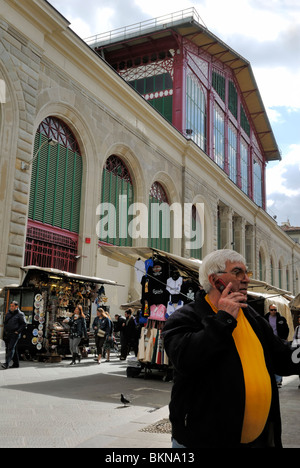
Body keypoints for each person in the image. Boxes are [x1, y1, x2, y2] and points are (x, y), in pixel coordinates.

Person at [162, 249, 300, 449]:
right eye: (237, 273)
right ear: (214, 279)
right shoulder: (185, 318)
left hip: (257, 440)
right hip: (204, 440)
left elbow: (281, 355)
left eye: (246, 273)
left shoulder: (250, 314)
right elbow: (185, 359)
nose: (245, 279)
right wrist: (224, 319)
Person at [265, 304, 289, 388]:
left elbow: (286, 329)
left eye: (275, 310)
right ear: (269, 310)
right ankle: (271, 379)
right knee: (269, 360)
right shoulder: (264, 319)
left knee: (279, 359)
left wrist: (284, 339)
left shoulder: (281, 319)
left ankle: (278, 380)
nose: (273, 311)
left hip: (279, 342)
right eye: (272, 310)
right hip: (268, 342)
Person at [1, 301, 26, 369]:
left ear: (16, 307)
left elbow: (24, 324)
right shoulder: (8, 313)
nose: (11, 307)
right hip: (8, 333)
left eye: (12, 306)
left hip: (15, 334)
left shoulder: (20, 314)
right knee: (12, 348)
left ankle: (6, 363)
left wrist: (17, 331)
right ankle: (16, 363)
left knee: (11, 348)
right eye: (11, 306)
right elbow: (5, 323)